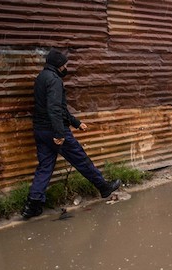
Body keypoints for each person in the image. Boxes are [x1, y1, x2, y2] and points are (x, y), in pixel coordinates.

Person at [21, 48, 121, 219]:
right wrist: (60, 133)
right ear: (59, 65)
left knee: (45, 167)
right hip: (55, 130)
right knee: (80, 159)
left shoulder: (41, 78)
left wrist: (76, 123)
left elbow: (56, 107)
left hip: (40, 130)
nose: (66, 68)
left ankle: (32, 205)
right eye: (65, 65)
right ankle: (104, 187)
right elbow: (54, 108)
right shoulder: (54, 80)